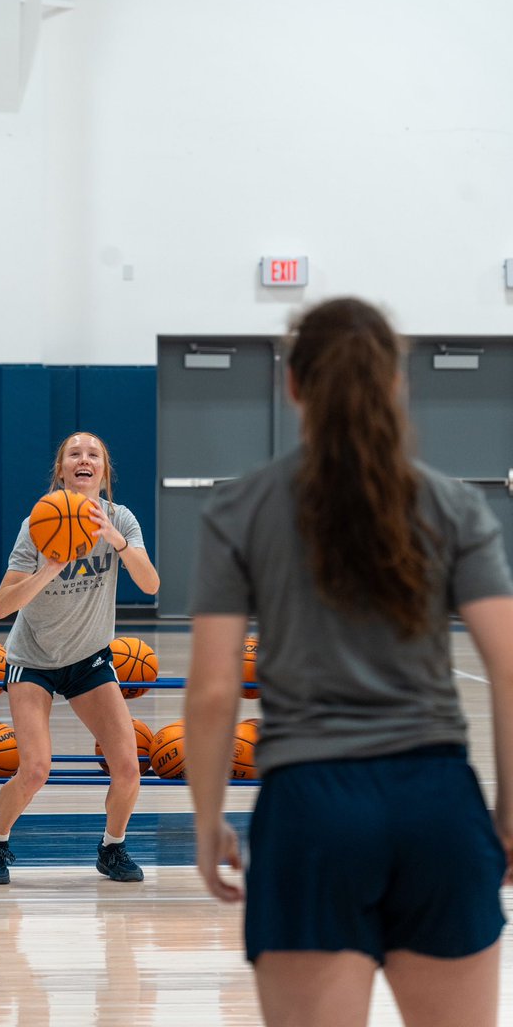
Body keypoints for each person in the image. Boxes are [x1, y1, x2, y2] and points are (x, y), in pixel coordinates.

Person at [185, 297, 513, 1027]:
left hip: (309, 815)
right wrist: (511, 816)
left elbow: (211, 692)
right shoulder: (456, 506)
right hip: (438, 804)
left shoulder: (239, 510)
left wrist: (208, 821)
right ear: (395, 383)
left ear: (292, 385)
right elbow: (511, 666)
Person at [0, 431, 160, 885]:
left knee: (129, 768)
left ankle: (111, 848)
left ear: (103, 471)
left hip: (89, 658)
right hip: (32, 658)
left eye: (93, 454)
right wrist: (49, 568)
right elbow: (1, 606)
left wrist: (116, 539)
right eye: (74, 454)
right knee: (36, 768)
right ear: (61, 471)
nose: (84, 459)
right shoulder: (37, 523)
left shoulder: (122, 519)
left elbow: (150, 584)